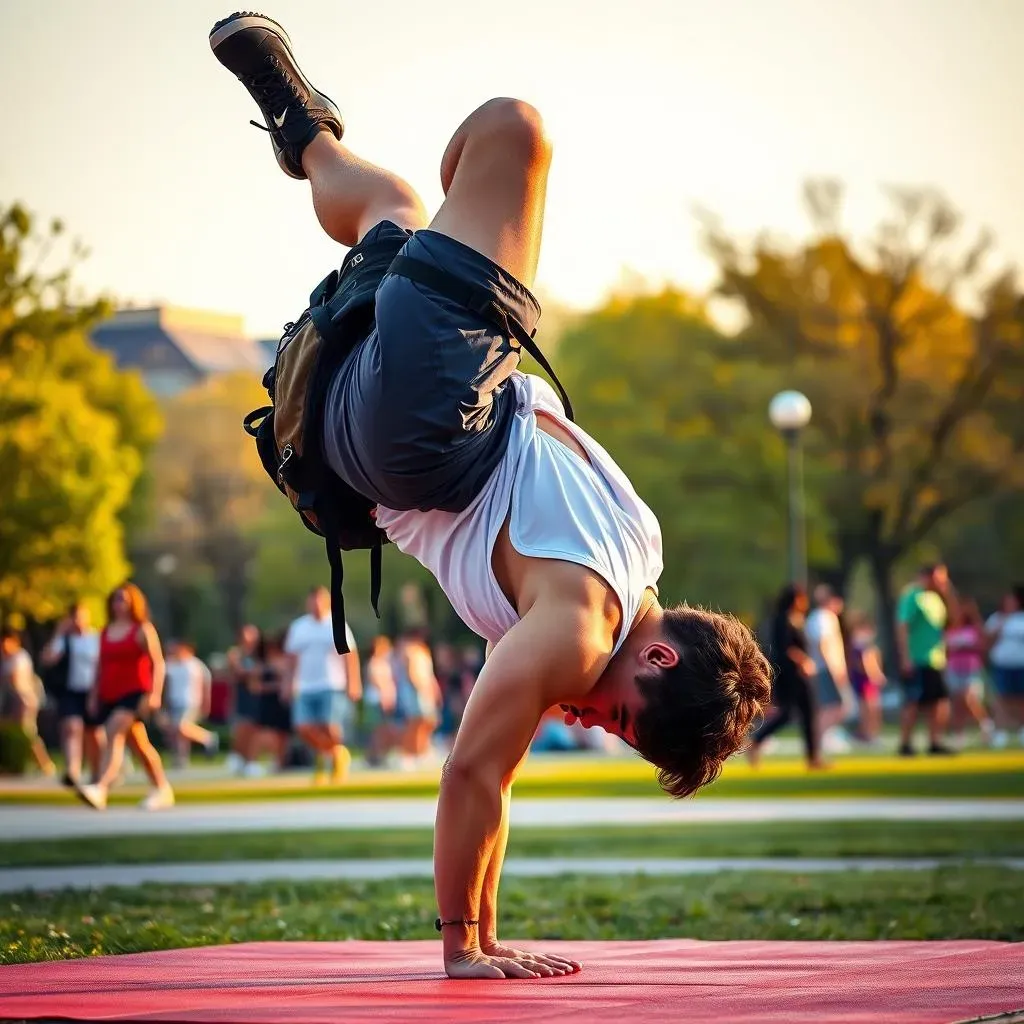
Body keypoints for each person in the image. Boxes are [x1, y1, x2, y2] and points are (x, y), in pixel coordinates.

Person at [211, 12, 770, 980]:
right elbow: (479, 776)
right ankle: (309, 135)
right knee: (391, 194)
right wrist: (467, 946)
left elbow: (487, 774)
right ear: (661, 651)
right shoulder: (586, 622)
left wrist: (476, 942)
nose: (596, 723)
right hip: (380, 430)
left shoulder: (613, 580)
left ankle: (358, 173)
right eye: (627, 720)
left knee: (510, 131)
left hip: (416, 426)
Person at [78, 583, 175, 810]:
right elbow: (100, 667)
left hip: (136, 693)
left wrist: (155, 694)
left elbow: (157, 663)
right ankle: (162, 788)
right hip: (110, 694)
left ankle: (100, 787)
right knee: (139, 744)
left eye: (123, 599)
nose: (119, 604)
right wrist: (94, 695)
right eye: (115, 599)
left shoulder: (142, 629)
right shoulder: (105, 632)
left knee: (113, 731)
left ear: (133, 601)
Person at [283, 586, 362, 784]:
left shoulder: (336, 624)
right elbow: (291, 659)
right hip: (305, 685)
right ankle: (335, 753)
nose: (316, 604)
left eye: (320, 600)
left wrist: (354, 682)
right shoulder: (299, 627)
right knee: (303, 726)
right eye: (313, 600)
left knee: (329, 726)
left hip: (332, 684)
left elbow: (350, 657)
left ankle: (328, 763)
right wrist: (287, 683)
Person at [748, 584, 823, 769]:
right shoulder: (782, 620)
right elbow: (785, 648)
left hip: (798, 674)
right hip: (790, 674)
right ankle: (756, 741)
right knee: (790, 713)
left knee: (806, 714)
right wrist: (802, 661)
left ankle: (813, 757)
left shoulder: (796, 619)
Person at [39, 602, 104, 786]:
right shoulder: (64, 640)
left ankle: (97, 773)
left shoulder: (95, 638)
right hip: (70, 690)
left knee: (93, 733)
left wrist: (97, 692)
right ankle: (72, 770)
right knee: (71, 727)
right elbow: (47, 659)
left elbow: (101, 667)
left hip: (93, 690)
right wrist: (59, 633)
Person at [895, 564, 955, 757]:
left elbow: (951, 622)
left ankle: (935, 742)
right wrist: (905, 658)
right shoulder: (913, 596)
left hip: (936, 660)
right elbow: (902, 627)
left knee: (940, 701)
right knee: (913, 702)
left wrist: (949, 594)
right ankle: (905, 744)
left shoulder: (937, 598)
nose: (943, 582)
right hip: (917, 659)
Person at [805, 585, 856, 754]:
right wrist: (835, 669)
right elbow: (824, 645)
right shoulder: (824, 618)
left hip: (825, 668)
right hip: (826, 669)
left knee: (831, 707)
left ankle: (820, 740)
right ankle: (818, 742)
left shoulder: (817, 617)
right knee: (833, 707)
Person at [0, 627, 56, 776]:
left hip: (24, 700)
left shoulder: (19, 657)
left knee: (28, 733)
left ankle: (45, 764)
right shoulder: (7, 658)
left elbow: (14, 678)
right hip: (13, 700)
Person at [160, 640, 218, 768]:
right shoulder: (170, 664)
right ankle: (181, 759)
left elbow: (205, 684)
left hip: (191, 702)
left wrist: (206, 702)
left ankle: (208, 738)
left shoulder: (196, 665)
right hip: (173, 702)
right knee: (176, 732)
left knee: (181, 727)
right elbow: (163, 683)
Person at [944, 599, 994, 747]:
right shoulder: (950, 630)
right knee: (957, 702)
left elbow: (983, 646)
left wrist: (965, 648)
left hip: (971, 668)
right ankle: (959, 734)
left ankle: (986, 725)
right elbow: (945, 649)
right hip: (953, 668)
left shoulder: (974, 629)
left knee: (970, 698)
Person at [984, 585, 1024, 747]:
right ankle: (1000, 732)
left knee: (1021, 698)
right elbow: (987, 642)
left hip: (1021, 665)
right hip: (1002, 665)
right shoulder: (996, 619)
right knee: (1001, 698)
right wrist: (1001, 624)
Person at [225, 624, 264, 776]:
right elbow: (238, 671)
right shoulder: (235, 653)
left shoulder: (259, 654)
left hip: (258, 696)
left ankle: (251, 761)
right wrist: (254, 673)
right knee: (242, 727)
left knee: (255, 729)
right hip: (241, 695)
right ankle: (237, 757)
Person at [846, 614, 887, 746]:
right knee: (870, 709)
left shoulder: (864, 646)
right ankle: (868, 734)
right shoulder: (862, 647)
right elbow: (866, 663)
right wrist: (876, 675)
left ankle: (869, 733)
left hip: (865, 682)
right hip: (865, 682)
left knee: (871, 709)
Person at [254, 633, 293, 772]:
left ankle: (280, 763)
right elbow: (255, 685)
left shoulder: (285, 662)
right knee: (267, 734)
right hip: (267, 702)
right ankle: (262, 760)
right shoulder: (263, 664)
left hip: (281, 702)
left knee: (282, 735)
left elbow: (287, 680)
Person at [363, 635, 399, 767]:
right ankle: (374, 755)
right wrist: (385, 696)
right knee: (378, 729)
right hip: (376, 700)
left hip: (385, 700)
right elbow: (377, 682)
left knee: (384, 729)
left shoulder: (384, 664)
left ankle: (381, 754)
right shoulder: (374, 663)